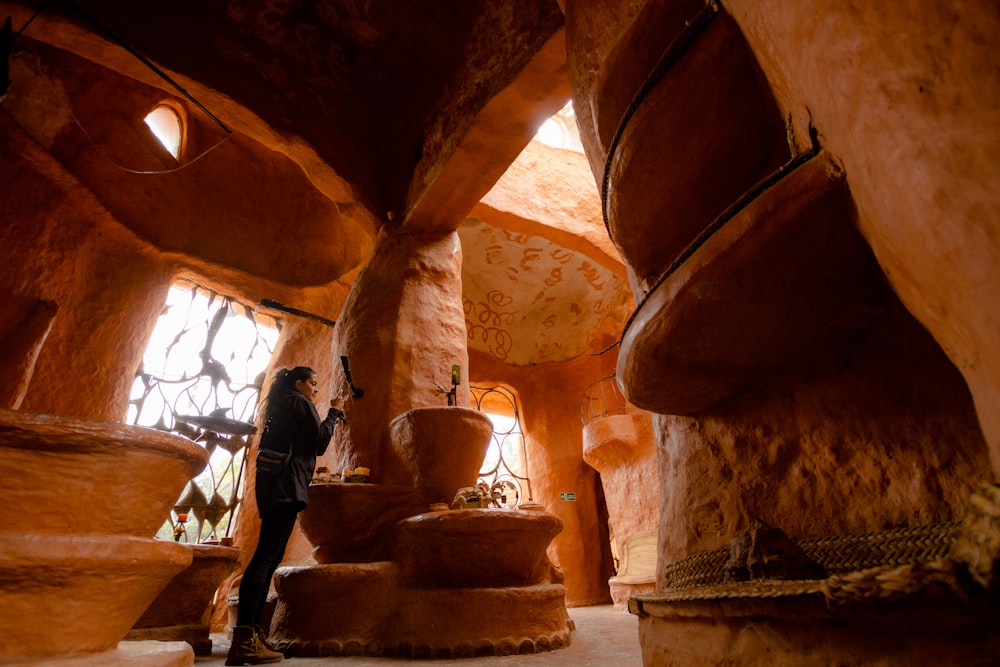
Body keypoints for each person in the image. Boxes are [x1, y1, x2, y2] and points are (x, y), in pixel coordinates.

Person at [226, 366, 345, 666]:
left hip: (274, 485)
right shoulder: (298, 402)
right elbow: (318, 442)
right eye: (313, 383)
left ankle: (251, 635)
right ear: (298, 383)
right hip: (286, 487)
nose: (316, 389)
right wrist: (334, 414)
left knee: (269, 559)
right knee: (265, 559)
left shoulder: (281, 404)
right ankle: (245, 640)